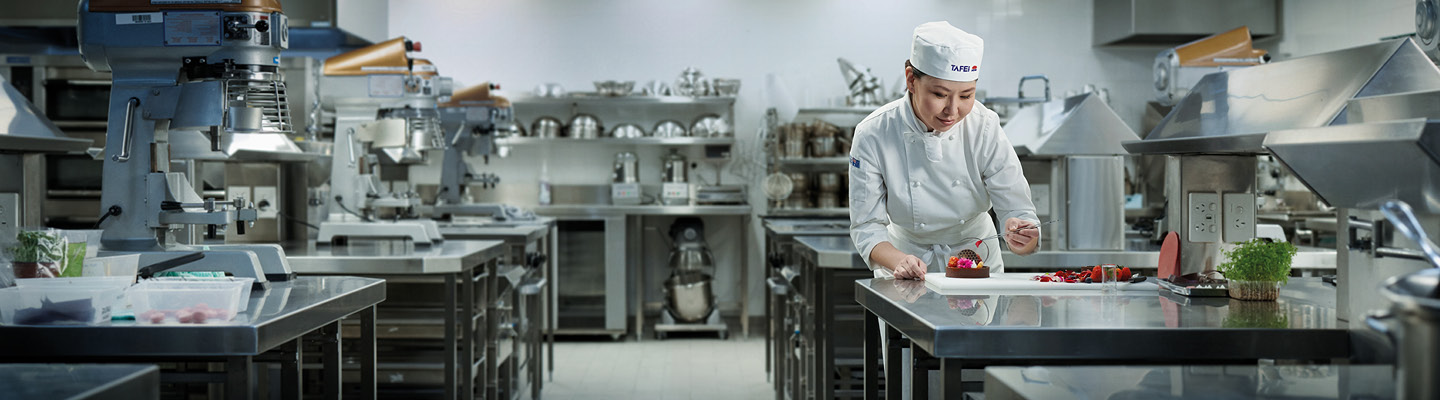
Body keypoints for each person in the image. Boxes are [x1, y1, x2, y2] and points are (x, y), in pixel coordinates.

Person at [849, 21, 1040, 280]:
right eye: (940, 94)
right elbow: (867, 226)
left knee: (977, 320)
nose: (952, 110)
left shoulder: (984, 126)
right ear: (911, 81)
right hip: (904, 260)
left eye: (966, 96)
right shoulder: (874, 132)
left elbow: (1016, 209)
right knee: (908, 322)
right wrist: (900, 261)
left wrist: (1021, 235)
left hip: (976, 257)